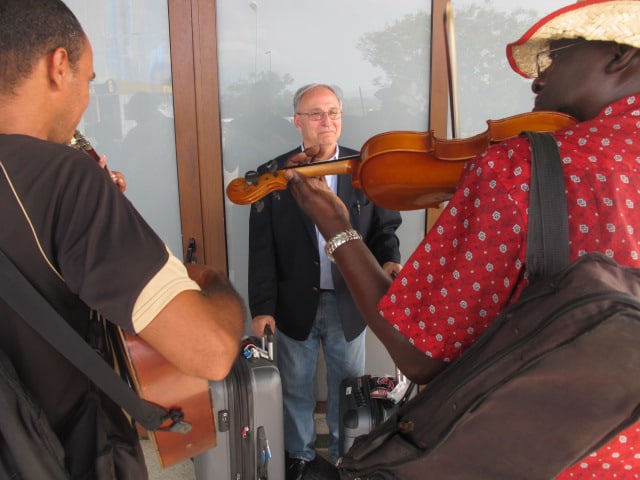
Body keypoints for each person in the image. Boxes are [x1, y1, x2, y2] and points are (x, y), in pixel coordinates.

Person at [283, 1, 640, 478]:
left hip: (546, 457)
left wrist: (337, 228)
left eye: (553, 55)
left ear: (618, 55)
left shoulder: (520, 169)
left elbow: (419, 354)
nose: (536, 80)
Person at [0, 0, 244, 478]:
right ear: (59, 66)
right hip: (59, 454)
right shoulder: (64, 180)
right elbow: (211, 352)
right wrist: (213, 282)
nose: (86, 101)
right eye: (89, 81)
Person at [248, 83, 403, 478]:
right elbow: (262, 250)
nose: (326, 121)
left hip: (351, 302)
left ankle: (343, 456)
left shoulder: (364, 169)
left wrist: (389, 264)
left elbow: (386, 230)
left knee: (348, 388)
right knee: (296, 387)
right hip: (294, 301)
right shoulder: (275, 175)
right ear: (297, 121)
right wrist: (262, 308)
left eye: (333, 112)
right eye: (316, 114)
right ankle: (299, 456)